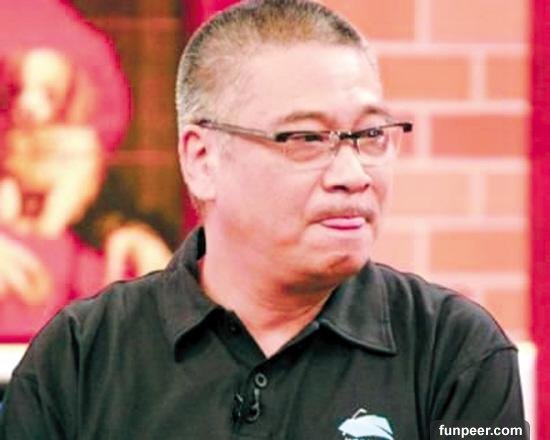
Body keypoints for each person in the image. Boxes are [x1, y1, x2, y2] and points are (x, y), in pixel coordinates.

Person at [0, 1, 525, 439]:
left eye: (370, 136)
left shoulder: (453, 352)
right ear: (202, 159)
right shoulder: (81, 355)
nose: (353, 175)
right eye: (306, 138)